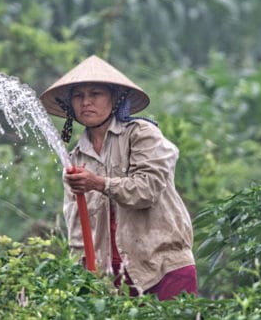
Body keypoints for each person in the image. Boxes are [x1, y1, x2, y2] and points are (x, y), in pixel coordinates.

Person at [39, 55, 197, 300]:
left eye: (95, 94)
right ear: (70, 105)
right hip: (112, 279)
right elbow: (78, 227)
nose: (86, 102)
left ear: (115, 99)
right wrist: (82, 277)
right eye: (78, 96)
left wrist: (98, 183)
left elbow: (147, 190)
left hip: (163, 267)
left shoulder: (143, 134)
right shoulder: (76, 158)